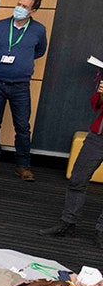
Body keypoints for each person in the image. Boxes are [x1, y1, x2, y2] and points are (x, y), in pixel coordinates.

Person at [0, 0, 47, 181]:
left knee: (23, 127)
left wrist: (22, 61)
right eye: (19, 4)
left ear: (33, 11)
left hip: (21, 86)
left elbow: (40, 50)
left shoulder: (39, 30)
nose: (19, 8)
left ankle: (23, 165)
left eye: (25, 6)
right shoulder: (0, 27)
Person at [40, 79, 103, 247]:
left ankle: (101, 230)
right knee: (77, 179)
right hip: (98, 136)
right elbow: (96, 104)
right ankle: (68, 223)